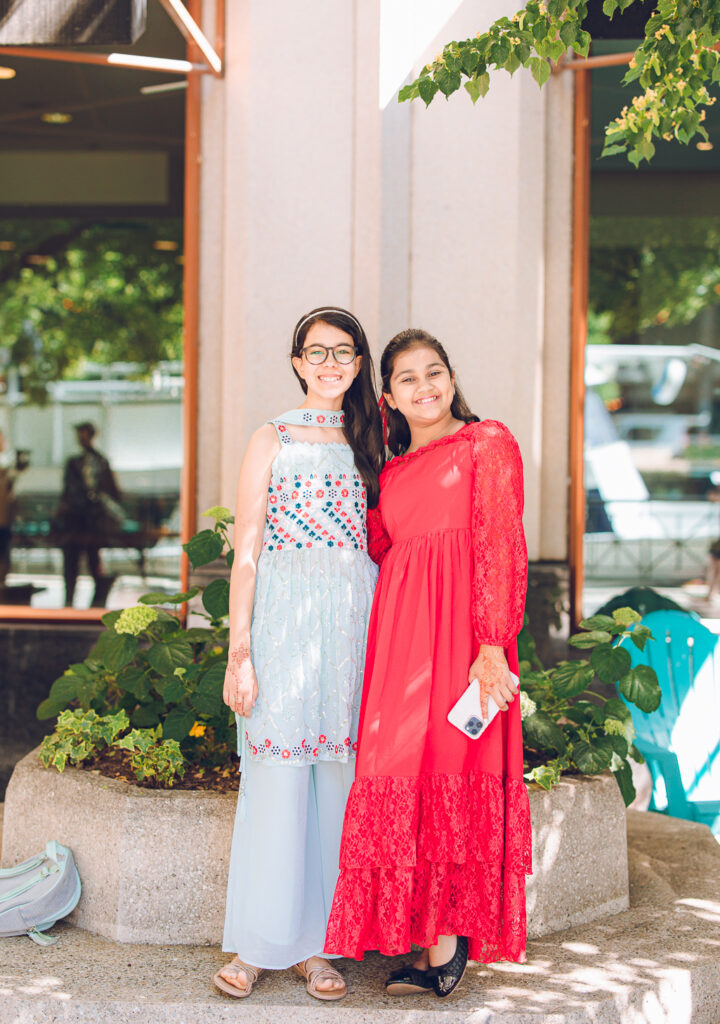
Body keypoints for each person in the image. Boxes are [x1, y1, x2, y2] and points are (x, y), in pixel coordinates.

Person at [325, 329, 531, 998]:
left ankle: (444, 943)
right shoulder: (389, 472)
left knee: (450, 768)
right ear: (388, 396)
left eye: (433, 371)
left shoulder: (485, 443)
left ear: (451, 377)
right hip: (400, 643)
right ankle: (416, 929)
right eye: (407, 378)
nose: (424, 386)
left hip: (465, 642)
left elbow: (501, 541)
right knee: (396, 773)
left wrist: (492, 643)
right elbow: (380, 550)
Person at [214, 307, 385, 1001]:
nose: (330, 363)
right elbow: (246, 552)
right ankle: (258, 946)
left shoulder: (375, 439)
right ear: (296, 361)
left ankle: (321, 950)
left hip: (354, 623)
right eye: (317, 351)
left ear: (358, 363)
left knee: (338, 785)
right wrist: (240, 652)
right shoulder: (272, 436)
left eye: (344, 352)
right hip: (283, 621)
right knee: (277, 780)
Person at [54, 421, 122, 607]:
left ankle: (96, 601)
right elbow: (67, 492)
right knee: (72, 563)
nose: (81, 439)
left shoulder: (100, 461)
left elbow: (111, 490)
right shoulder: (75, 462)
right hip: (75, 520)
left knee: (93, 561)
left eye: (83, 434)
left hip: (92, 521)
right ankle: (69, 601)